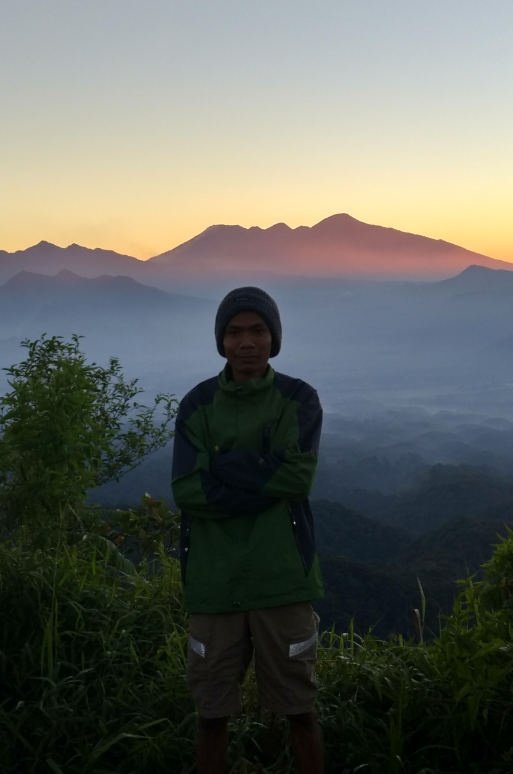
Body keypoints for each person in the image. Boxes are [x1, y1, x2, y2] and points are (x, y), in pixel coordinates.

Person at [171, 286, 325, 774]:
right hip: (215, 584)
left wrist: (221, 467)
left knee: (300, 709)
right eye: (234, 332)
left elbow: (296, 476)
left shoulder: (298, 399)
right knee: (211, 715)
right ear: (221, 341)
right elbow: (187, 489)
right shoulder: (197, 405)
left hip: (281, 579)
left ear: (274, 338)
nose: (246, 342)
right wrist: (263, 478)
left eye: (258, 330)